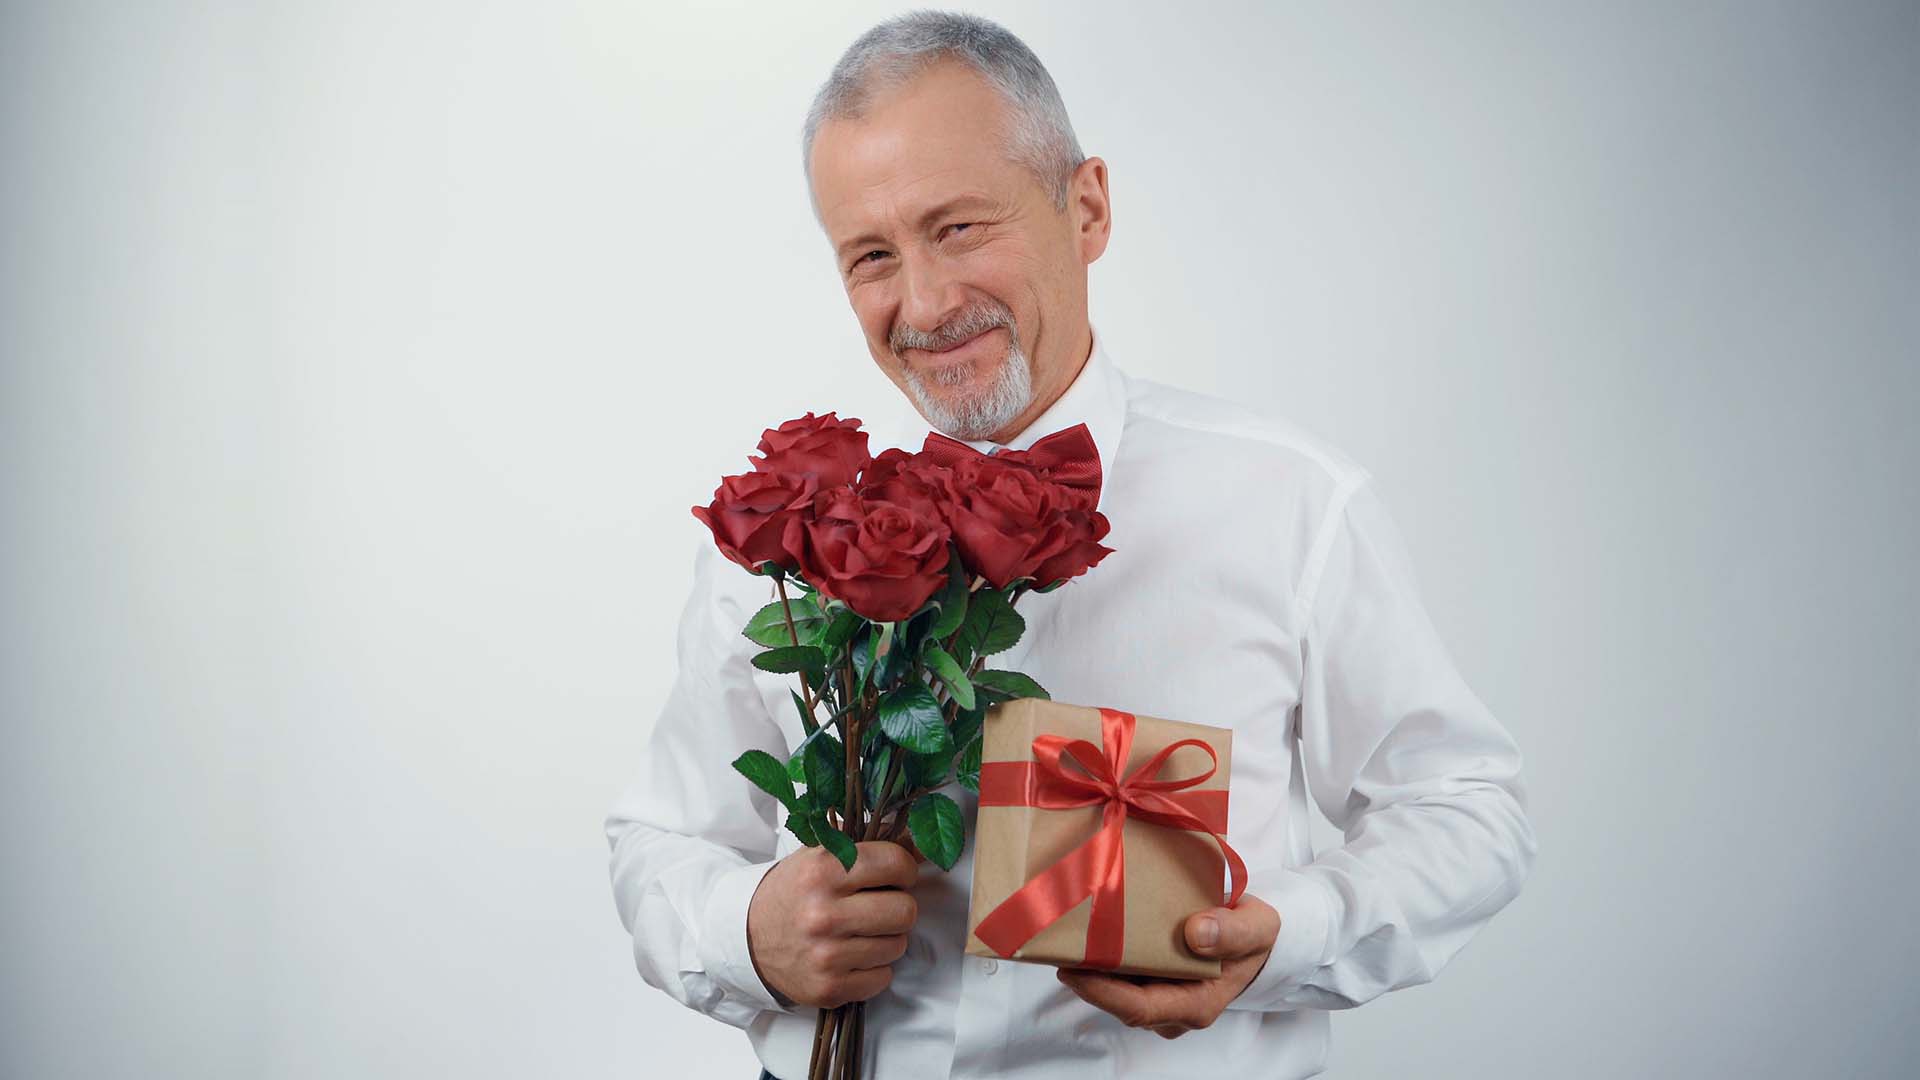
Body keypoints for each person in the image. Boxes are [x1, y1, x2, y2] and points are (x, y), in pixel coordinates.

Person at [606, 12, 1537, 1079]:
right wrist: (745, 927)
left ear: (1086, 208)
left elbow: (1466, 808)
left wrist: (1294, 933)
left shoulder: (1291, 501)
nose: (923, 303)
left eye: (957, 228)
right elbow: (658, 837)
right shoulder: (786, 537)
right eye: (871, 254)